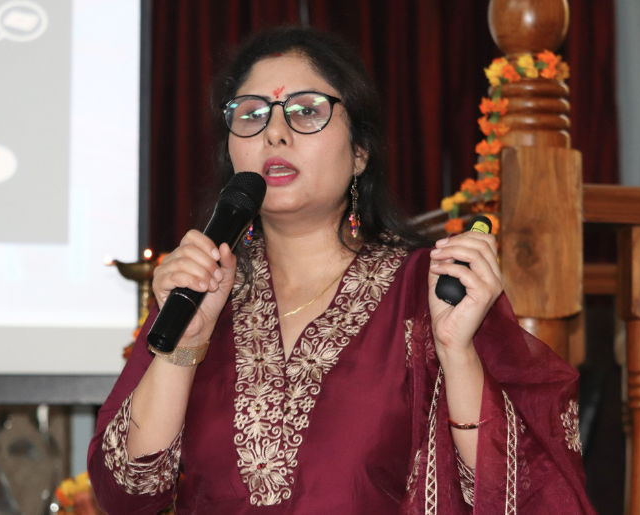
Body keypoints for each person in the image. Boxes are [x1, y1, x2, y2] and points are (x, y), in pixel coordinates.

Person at [88, 26, 596, 515]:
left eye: (307, 111)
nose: (275, 133)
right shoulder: (199, 290)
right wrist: (184, 349)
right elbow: (126, 494)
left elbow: (521, 495)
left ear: (360, 152)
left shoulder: (434, 289)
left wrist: (457, 353)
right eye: (252, 114)